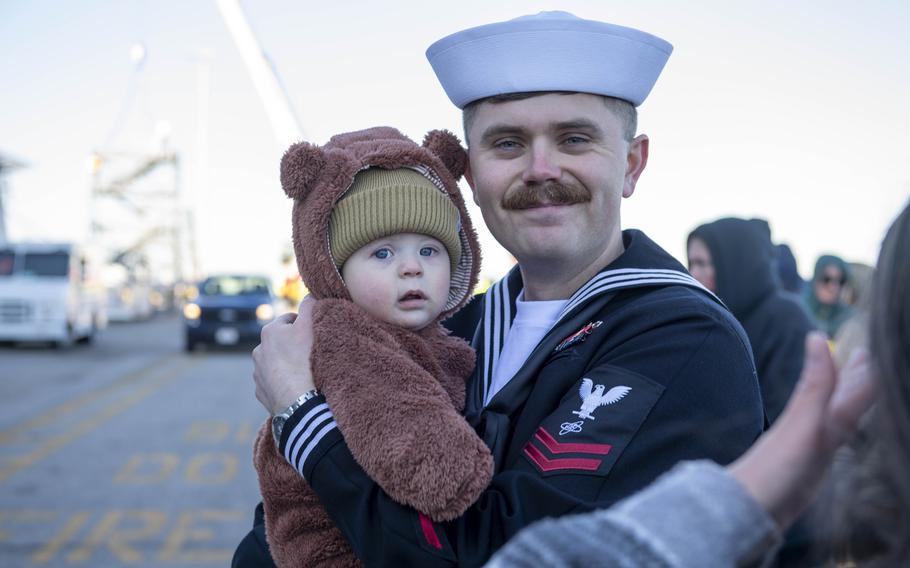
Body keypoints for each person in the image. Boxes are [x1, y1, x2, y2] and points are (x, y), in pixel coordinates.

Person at [248, 11, 764, 566]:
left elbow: (500, 554)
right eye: (508, 144)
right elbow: (273, 537)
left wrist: (302, 418)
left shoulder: (685, 344)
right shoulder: (455, 329)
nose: (542, 169)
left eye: (574, 138)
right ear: (469, 176)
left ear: (632, 165)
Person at [487, 201, 910, 567]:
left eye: (707, 263)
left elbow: (790, 423)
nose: (699, 273)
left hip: (785, 518)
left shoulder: (772, 323)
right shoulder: (707, 313)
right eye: (695, 262)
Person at [236, 128, 494, 566]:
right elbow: (402, 419)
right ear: (336, 270)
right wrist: (455, 468)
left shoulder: (420, 336)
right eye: (382, 254)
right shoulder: (346, 335)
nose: (411, 268)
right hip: (332, 544)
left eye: (430, 250)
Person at [687, 217, 814, 423]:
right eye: (691, 263)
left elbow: (786, 418)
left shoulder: (786, 320)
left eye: (701, 263)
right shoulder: (709, 321)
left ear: (734, 263)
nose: (693, 274)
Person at [805, 254, 854, 338]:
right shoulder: (800, 313)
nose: (833, 287)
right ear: (816, 279)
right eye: (826, 279)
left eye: (841, 281)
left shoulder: (850, 319)